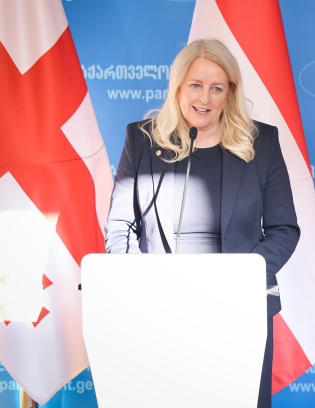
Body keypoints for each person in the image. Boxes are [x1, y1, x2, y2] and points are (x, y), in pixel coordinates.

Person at [105, 38, 299, 408]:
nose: (204, 98)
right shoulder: (142, 139)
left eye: (216, 88)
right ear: (178, 86)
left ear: (230, 92)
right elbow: (120, 227)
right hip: (159, 310)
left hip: (239, 309)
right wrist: (138, 284)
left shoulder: (262, 142)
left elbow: (283, 229)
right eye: (195, 85)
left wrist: (239, 280)